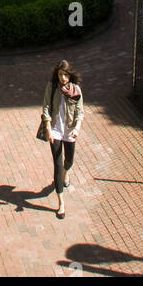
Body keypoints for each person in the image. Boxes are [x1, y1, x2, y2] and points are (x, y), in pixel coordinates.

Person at [40, 61, 84, 220]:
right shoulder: (51, 87)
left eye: (65, 75)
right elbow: (46, 107)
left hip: (70, 131)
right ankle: (61, 203)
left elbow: (80, 111)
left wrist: (77, 128)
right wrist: (49, 129)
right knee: (57, 166)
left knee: (69, 161)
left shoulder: (76, 90)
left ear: (70, 75)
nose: (63, 78)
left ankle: (66, 173)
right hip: (56, 131)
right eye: (60, 75)